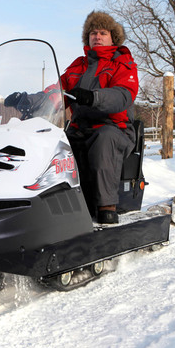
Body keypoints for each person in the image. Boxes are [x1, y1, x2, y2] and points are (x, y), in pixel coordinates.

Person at [62, 11, 139, 224]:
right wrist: (32, 99)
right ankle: (61, 206)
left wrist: (93, 97)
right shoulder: (78, 66)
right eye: (93, 33)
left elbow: (123, 95)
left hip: (116, 128)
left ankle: (106, 207)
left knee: (103, 138)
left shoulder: (122, 62)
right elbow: (57, 89)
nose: (97, 36)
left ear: (112, 37)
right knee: (56, 142)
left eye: (103, 32)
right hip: (80, 127)